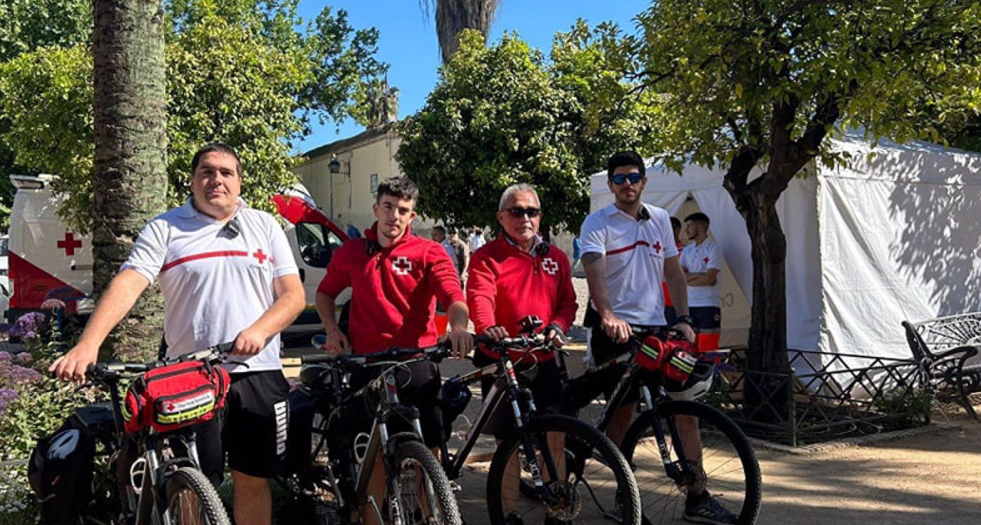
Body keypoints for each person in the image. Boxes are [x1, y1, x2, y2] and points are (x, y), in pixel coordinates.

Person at [49, 142, 306, 525]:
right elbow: (129, 282)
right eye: (206, 171)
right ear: (192, 180)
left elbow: (293, 296)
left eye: (226, 172)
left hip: (257, 372)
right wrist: (89, 344)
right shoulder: (167, 227)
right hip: (190, 378)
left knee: (253, 482)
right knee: (190, 486)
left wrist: (259, 330)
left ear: (238, 182)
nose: (216, 179)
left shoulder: (264, 226)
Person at [579, 151, 736, 524]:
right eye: (619, 179)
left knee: (685, 410)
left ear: (644, 181)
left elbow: (674, 273)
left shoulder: (661, 219)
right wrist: (607, 315)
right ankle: (623, 495)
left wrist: (682, 319)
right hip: (617, 331)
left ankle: (697, 496)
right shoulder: (597, 222)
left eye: (633, 177)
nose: (627, 184)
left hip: (657, 331)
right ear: (611, 184)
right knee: (623, 415)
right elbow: (594, 271)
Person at [315, 176, 473, 525]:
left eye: (403, 210)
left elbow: (453, 296)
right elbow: (324, 293)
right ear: (376, 209)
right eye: (388, 207)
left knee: (428, 448)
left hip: (415, 361)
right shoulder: (353, 251)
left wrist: (460, 326)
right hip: (366, 363)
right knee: (372, 453)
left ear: (412, 216)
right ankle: (370, 515)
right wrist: (331, 330)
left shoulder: (428, 252)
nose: (394, 216)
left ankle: (433, 514)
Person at [466, 183, 578, 524]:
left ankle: (555, 511)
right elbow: (479, 298)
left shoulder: (555, 257)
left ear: (540, 217)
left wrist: (558, 326)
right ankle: (509, 513)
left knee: (555, 436)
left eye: (531, 211)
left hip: (543, 358)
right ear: (501, 217)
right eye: (516, 211)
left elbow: (567, 303)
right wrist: (489, 328)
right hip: (503, 360)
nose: (524, 218)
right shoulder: (486, 257)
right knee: (508, 444)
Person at [682, 212, 722, 351]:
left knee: (708, 345)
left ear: (699, 228)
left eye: (689, 226)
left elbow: (710, 278)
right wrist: (700, 275)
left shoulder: (713, 248)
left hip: (708, 304)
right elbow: (680, 277)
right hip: (689, 304)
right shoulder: (687, 250)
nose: (686, 230)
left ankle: (711, 372)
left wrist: (689, 277)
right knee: (689, 344)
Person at [663, 216, 685, 326]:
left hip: (679, 302)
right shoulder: (658, 250)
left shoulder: (687, 251)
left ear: (677, 230)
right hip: (661, 302)